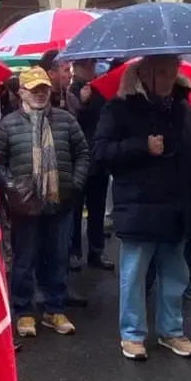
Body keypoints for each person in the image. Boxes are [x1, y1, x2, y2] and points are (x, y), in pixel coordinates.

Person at [95, 55, 191, 361]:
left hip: (176, 206)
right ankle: (132, 335)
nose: (169, 78)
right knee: (134, 274)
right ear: (143, 74)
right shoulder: (118, 108)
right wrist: (141, 146)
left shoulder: (185, 111)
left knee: (175, 274)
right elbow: (102, 152)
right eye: (162, 73)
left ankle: (171, 331)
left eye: (173, 72)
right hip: (138, 206)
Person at [0, 69, 90, 338]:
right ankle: (23, 311)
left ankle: (54, 308)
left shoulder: (66, 121)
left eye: (44, 89)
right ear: (21, 91)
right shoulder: (8, 125)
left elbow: (82, 153)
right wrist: (11, 186)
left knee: (58, 257)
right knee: (25, 259)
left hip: (60, 202)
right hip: (25, 207)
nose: (39, 93)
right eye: (34, 89)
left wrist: (75, 183)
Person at [70, 58, 112, 271]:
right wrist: (82, 103)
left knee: (97, 208)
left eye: (90, 65)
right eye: (84, 65)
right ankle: (74, 251)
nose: (88, 69)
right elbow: (72, 122)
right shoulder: (69, 92)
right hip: (78, 159)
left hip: (99, 158)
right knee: (75, 209)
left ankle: (96, 250)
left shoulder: (101, 90)